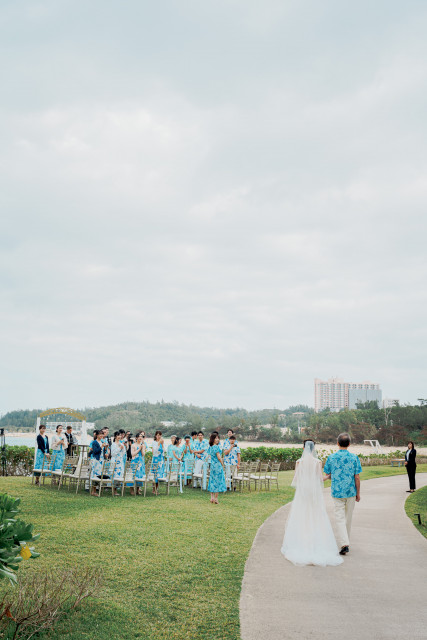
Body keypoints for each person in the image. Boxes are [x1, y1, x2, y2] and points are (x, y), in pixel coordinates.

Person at [280, 440, 343, 567]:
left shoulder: (299, 462)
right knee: (315, 517)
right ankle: (315, 542)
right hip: (314, 495)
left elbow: (296, 479)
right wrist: (329, 476)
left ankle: (301, 542)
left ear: (303, 448)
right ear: (314, 449)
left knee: (302, 516)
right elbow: (320, 478)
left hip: (303, 493)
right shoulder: (317, 462)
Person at [323, 432, 362, 556]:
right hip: (351, 492)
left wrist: (333, 478)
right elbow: (357, 477)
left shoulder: (331, 458)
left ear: (337, 443)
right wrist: (358, 493)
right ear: (349, 444)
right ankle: (345, 542)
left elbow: (328, 475)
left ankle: (344, 544)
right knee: (348, 518)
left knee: (340, 518)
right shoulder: (354, 458)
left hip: (337, 492)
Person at [207, 433, 227, 504]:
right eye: (216, 438)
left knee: (212, 480)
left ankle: (212, 498)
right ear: (213, 439)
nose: (217, 439)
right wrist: (222, 464)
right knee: (217, 481)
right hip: (217, 466)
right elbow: (219, 457)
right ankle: (215, 499)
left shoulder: (211, 447)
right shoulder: (216, 447)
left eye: (218, 438)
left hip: (212, 465)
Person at [89, 430, 108, 495]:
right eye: (100, 434)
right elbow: (95, 451)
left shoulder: (102, 442)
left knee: (99, 474)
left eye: (102, 434)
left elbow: (103, 452)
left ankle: (96, 490)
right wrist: (101, 447)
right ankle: (93, 491)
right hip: (96, 460)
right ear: (96, 435)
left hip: (101, 460)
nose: (101, 435)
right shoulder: (95, 442)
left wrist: (105, 448)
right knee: (95, 474)